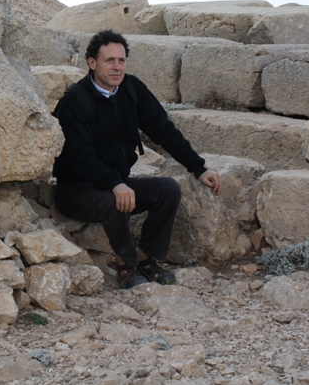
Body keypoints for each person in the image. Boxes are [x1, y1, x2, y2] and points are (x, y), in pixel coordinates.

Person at [53, 30, 221, 289]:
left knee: (167, 190)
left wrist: (198, 167)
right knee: (113, 199)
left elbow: (163, 130)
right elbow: (80, 157)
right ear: (92, 63)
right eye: (109, 60)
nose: (117, 67)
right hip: (75, 189)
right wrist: (115, 182)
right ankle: (125, 264)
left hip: (115, 182)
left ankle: (145, 257)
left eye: (121, 60)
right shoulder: (75, 101)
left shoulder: (132, 89)